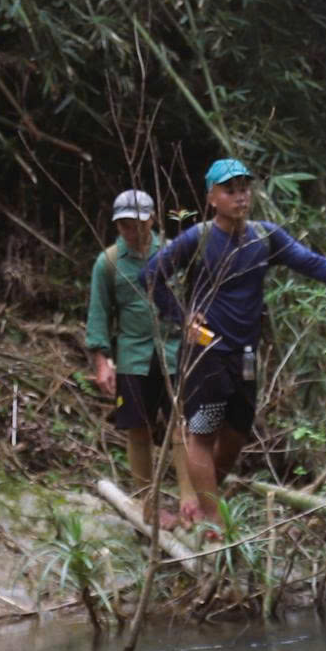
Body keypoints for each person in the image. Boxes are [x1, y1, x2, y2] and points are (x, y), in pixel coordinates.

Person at [143, 158, 326, 532]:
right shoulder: (196, 239)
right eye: (230, 191)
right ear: (212, 197)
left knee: (237, 432)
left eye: (244, 189)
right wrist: (181, 317)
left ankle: (203, 498)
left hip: (245, 353)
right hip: (206, 353)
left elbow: (309, 262)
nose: (240, 197)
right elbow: (151, 276)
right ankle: (213, 523)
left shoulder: (264, 237)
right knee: (203, 432)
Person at [86, 188, 202, 527]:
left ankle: (188, 500)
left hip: (173, 352)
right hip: (133, 355)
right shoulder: (107, 262)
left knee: (181, 424)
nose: (129, 230)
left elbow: (192, 300)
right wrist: (102, 361)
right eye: (122, 224)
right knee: (137, 428)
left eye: (135, 223)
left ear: (151, 219)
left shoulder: (172, 254)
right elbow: (98, 314)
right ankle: (146, 504)